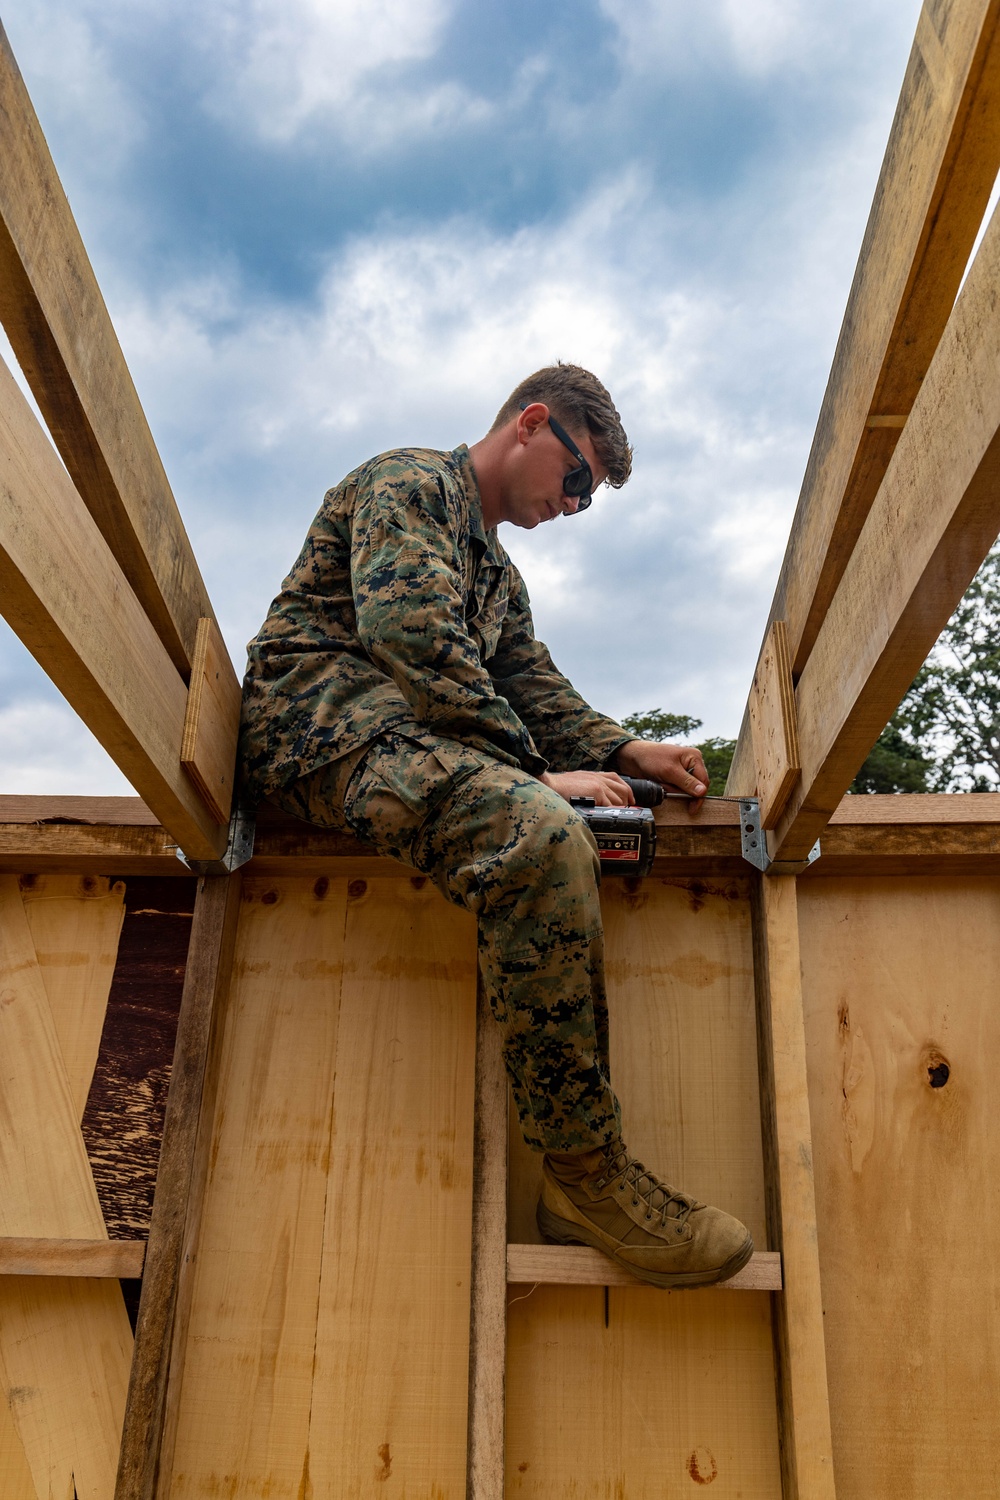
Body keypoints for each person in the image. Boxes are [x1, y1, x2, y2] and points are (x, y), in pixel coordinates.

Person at [239, 363, 752, 1288]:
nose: (574, 504)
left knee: (593, 816)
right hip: (319, 727)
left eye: (587, 498)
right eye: (578, 480)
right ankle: (585, 1176)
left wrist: (627, 749)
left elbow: (529, 683)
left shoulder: (498, 575)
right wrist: (537, 777)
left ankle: (582, 1168)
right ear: (532, 423)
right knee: (542, 830)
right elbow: (413, 637)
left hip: (397, 740)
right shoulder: (409, 485)